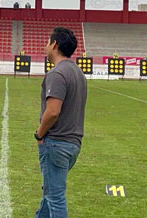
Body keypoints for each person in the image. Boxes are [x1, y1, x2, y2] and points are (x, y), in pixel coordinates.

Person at [34, 27, 87, 218]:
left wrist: (39, 134)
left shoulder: (57, 73)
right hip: (73, 143)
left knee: (55, 198)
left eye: (48, 42)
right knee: (49, 194)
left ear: (54, 44)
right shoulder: (78, 72)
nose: (45, 46)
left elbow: (53, 111)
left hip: (56, 143)